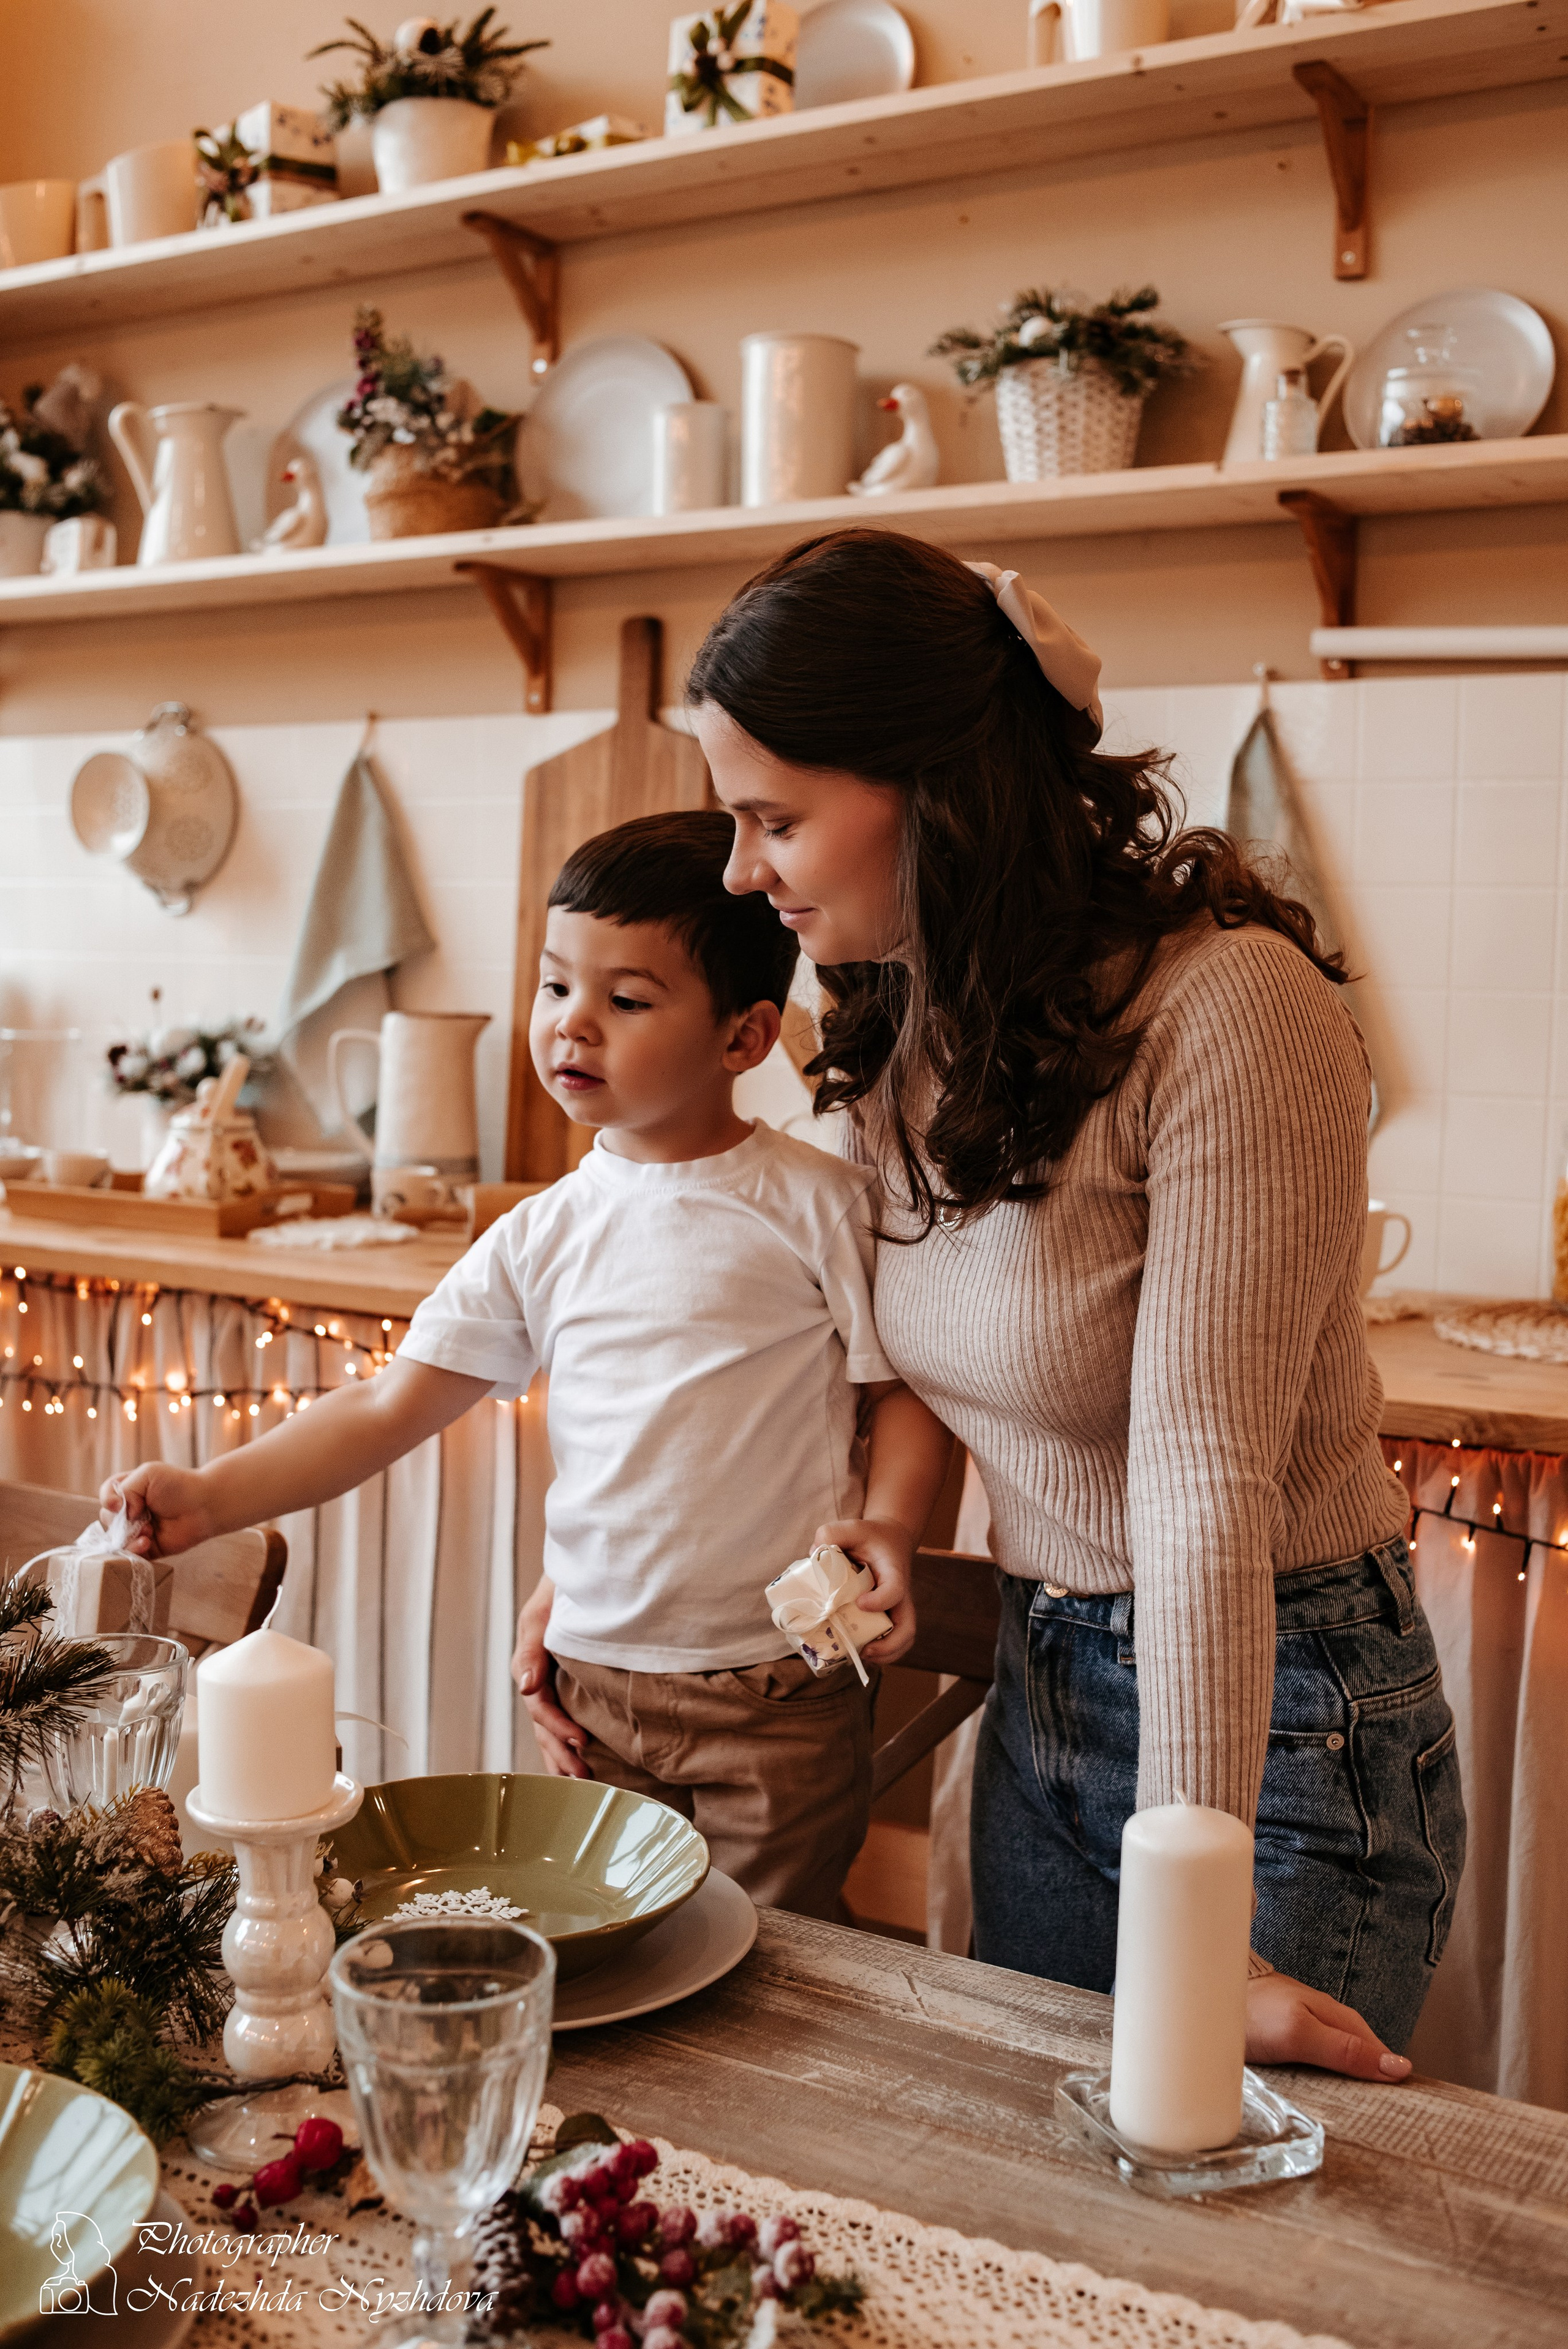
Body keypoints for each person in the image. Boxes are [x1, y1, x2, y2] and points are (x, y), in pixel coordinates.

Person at [687, 527, 1466, 2081]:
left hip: (1275, 1718)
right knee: (1029, 2181)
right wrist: (601, 1596)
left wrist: (1205, 1932)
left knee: (1216, 2249)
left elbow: (1195, 1479)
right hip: (1043, 1684)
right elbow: (882, 1349)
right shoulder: (911, 1024)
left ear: (933, 785)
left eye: (772, 817)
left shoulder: (1229, 1008)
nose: (737, 870)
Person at [102, 810, 952, 1919]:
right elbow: (386, 1404)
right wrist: (214, 1495)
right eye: (556, 989)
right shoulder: (539, 1233)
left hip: (775, 1691)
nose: (571, 1029)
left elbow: (905, 1396)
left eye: (626, 1000)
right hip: (592, 1686)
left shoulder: (818, 1205)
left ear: (745, 1039)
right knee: (618, 1939)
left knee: (771, 1960)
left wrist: (888, 1527)